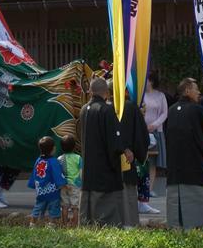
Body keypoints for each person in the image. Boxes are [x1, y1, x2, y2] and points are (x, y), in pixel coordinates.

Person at [163, 77, 203, 233]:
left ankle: (180, 227)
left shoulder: (171, 110)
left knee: (177, 198)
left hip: (175, 164)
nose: (198, 92)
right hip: (194, 162)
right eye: (196, 89)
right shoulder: (197, 110)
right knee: (199, 194)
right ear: (187, 90)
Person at [79, 77, 127, 227]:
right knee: (106, 220)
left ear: (90, 91)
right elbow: (113, 142)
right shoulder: (106, 110)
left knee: (88, 219)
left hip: (88, 169)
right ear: (106, 93)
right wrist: (121, 154)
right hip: (104, 170)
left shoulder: (83, 110)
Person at [120, 99, 150, 224]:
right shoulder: (130, 107)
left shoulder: (100, 108)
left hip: (108, 163)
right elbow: (141, 136)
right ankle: (130, 224)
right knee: (128, 194)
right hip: (127, 157)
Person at [28, 135, 66, 226]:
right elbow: (58, 175)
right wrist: (62, 184)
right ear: (53, 149)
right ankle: (51, 226)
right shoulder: (53, 161)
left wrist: (33, 184)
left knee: (37, 208)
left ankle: (32, 224)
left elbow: (34, 174)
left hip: (40, 191)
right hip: (52, 191)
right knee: (53, 209)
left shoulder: (38, 160)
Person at [59, 134, 82, 225]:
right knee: (75, 207)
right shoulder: (78, 158)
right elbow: (81, 172)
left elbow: (58, 173)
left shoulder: (59, 158)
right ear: (74, 147)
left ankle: (64, 224)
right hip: (75, 185)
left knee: (64, 206)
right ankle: (75, 225)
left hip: (63, 185)